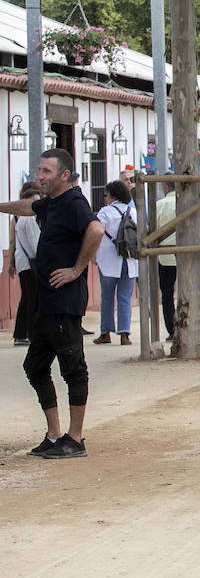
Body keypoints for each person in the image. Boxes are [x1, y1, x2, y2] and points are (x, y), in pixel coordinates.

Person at [0, 149, 103, 459]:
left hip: (64, 301)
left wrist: (76, 269)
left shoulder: (73, 202)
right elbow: (28, 207)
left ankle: (76, 438)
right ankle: (55, 434)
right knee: (34, 366)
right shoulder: (51, 203)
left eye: (46, 171)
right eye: (39, 170)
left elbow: (96, 229)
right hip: (47, 302)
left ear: (63, 175)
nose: (39, 176)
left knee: (73, 367)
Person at [93, 179, 138, 346]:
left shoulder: (105, 212)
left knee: (107, 297)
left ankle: (105, 332)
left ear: (112, 195)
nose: (105, 198)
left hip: (108, 260)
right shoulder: (133, 212)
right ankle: (125, 334)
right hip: (129, 259)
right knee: (124, 297)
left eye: (106, 195)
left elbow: (95, 233)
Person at [7, 184, 42, 346]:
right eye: (33, 201)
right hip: (29, 265)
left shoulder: (22, 219)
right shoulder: (28, 219)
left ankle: (21, 333)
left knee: (26, 299)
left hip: (23, 263)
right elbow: (35, 246)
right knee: (30, 300)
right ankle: (26, 332)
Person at [154, 181, 178, 341]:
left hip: (165, 255)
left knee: (167, 294)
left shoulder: (160, 205)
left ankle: (171, 330)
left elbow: (152, 230)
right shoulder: (189, 204)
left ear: (167, 187)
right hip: (188, 256)